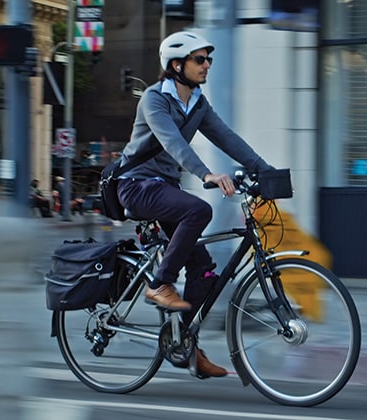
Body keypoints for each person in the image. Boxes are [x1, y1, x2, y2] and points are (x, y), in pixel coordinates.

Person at [115, 31, 274, 377]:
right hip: (136, 186)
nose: (206, 66)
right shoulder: (154, 100)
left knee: (204, 273)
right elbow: (174, 144)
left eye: (208, 59)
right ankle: (160, 284)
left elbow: (226, 137)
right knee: (199, 209)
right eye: (199, 60)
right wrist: (206, 175)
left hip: (164, 190)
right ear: (176, 65)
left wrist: (264, 168)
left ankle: (184, 344)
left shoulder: (197, 103)